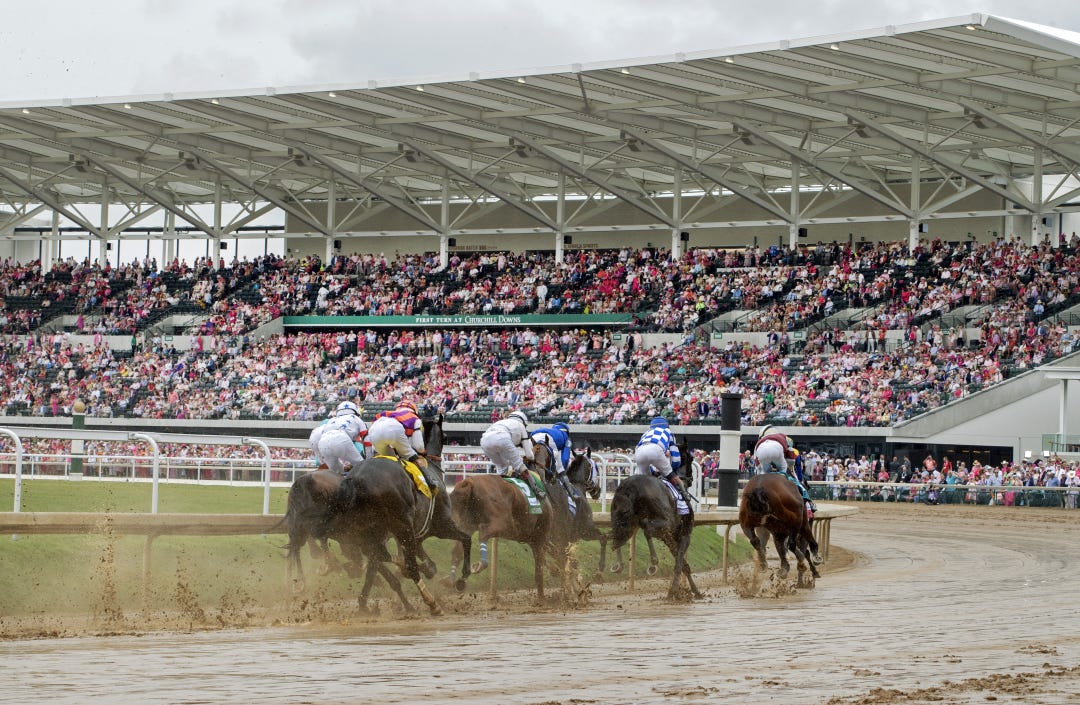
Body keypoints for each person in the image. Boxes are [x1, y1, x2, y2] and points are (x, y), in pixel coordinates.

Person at [366, 400, 440, 492]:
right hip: (394, 429)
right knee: (415, 459)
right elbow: (419, 446)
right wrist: (422, 452)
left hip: (373, 430)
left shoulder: (386, 414)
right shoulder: (415, 418)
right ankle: (430, 482)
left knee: (390, 460)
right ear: (414, 410)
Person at [753, 424, 816, 517]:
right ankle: (809, 506)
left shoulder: (759, 442)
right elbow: (793, 462)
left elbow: (757, 464)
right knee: (790, 477)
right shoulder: (784, 438)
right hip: (781, 455)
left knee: (762, 478)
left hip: (761, 454)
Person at [634, 417, 691, 504]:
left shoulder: (646, 433)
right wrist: (672, 472)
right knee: (676, 479)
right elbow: (675, 458)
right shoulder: (668, 432)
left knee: (645, 482)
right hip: (656, 450)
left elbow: (641, 453)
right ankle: (685, 498)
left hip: (639, 453)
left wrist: (653, 472)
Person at [480, 410, 538, 492]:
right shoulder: (521, 425)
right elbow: (529, 455)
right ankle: (536, 490)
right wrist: (534, 459)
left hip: (484, 441)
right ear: (523, 421)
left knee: (502, 468)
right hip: (502, 437)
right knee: (520, 466)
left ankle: (499, 490)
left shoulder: (501, 422)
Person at [316, 401, 369, 475]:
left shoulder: (331, 420)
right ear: (355, 411)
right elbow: (366, 439)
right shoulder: (356, 418)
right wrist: (369, 458)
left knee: (336, 474)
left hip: (322, 443)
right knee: (361, 466)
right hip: (341, 438)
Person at [530, 421, 575, 497]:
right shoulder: (567, 438)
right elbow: (565, 458)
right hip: (549, 440)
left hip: (533, 437)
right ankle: (571, 494)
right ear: (567, 432)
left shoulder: (550, 430)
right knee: (560, 469)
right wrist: (561, 470)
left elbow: (532, 434)